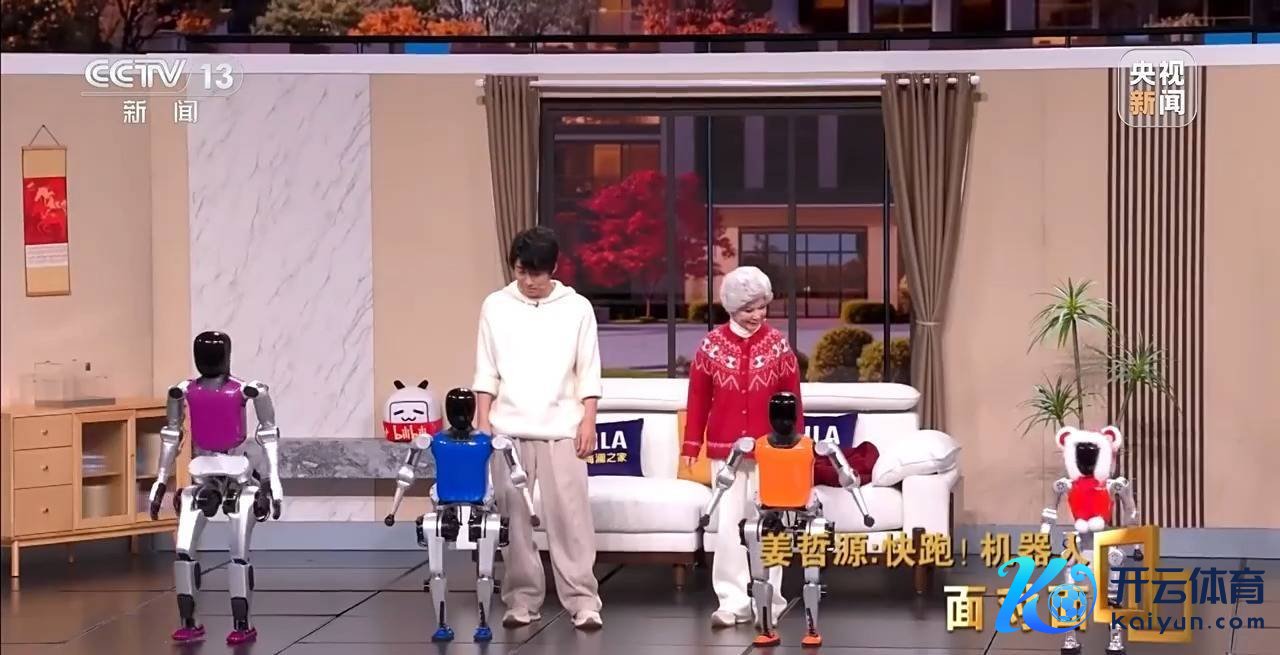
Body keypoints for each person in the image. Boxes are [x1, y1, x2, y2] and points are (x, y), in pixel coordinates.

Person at [473, 225, 604, 631]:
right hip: (508, 430)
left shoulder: (576, 307)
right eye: (521, 271)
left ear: (554, 268)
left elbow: (588, 370)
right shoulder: (496, 305)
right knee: (513, 519)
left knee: (571, 519)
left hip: (563, 427)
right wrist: (483, 424)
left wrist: (588, 420)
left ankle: (583, 601)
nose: (529, 281)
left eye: (537, 273)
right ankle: (521, 599)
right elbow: (486, 369)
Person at [682, 266, 801, 628]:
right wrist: (691, 443)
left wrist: (795, 445)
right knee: (729, 527)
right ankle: (731, 601)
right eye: (749, 309)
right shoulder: (711, 346)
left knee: (771, 527)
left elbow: (793, 397)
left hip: (772, 452)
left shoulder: (778, 344)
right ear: (732, 308)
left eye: (762, 306)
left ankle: (770, 600)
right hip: (727, 452)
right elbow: (698, 397)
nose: (757, 315)